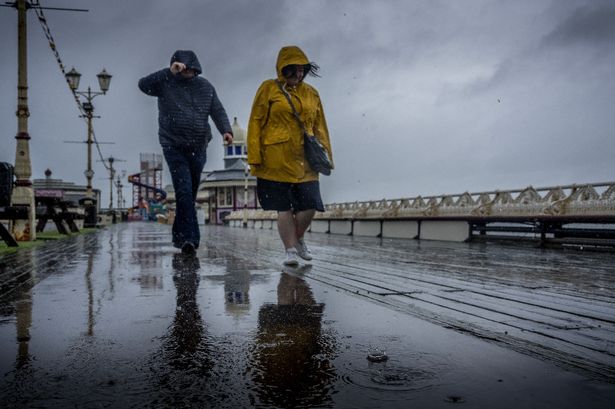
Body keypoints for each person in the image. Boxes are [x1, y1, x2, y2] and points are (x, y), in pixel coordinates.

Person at [139, 50, 233, 255]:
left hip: (198, 146)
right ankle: (190, 239)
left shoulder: (205, 87)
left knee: (189, 193)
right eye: (183, 68)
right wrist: (168, 72)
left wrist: (226, 130)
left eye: (190, 68)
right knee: (183, 190)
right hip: (173, 145)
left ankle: (180, 237)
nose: (187, 71)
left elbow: (217, 110)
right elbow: (143, 85)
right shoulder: (165, 82)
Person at [247, 46, 333, 266]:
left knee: (311, 204)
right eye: (292, 70)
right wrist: (254, 156)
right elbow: (256, 122)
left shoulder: (312, 93)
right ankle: (290, 252)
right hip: (275, 159)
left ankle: (297, 238)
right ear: (282, 69)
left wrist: (326, 154)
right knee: (283, 206)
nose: (298, 74)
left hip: (306, 159)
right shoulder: (268, 89)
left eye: (301, 70)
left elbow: (319, 125)